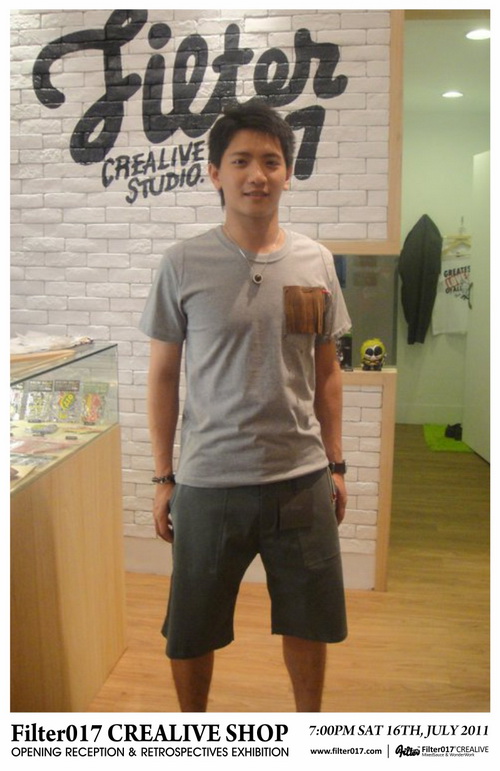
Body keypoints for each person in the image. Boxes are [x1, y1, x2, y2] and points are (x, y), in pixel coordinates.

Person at [139, 101, 351, 712]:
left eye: (271, 161)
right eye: (240, 161)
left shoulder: (315, 261)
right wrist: (163, 476)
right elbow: (163, 376)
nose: (257, 174)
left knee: (310, 623)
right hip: (210, 481)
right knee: (191, 627)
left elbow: (327, 373)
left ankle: (309, 733)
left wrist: (336, 464)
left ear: (288, 173)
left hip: (300, 478)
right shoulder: (183, 263)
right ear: (215, 173)